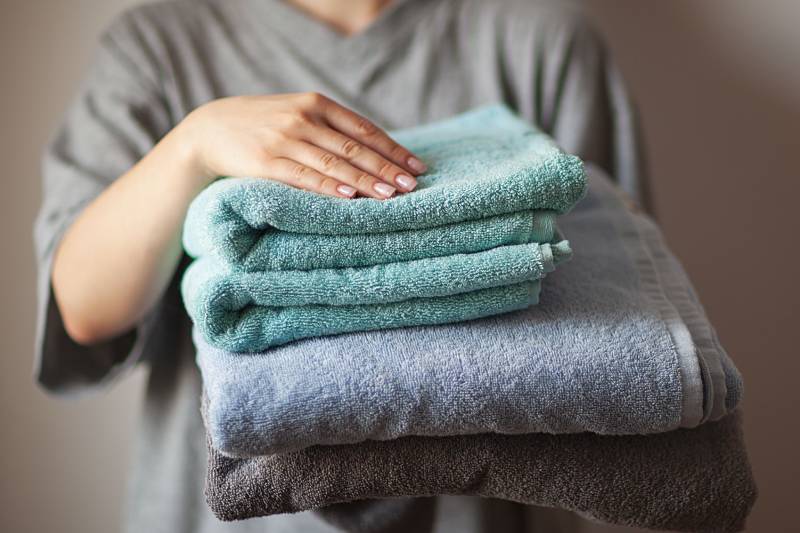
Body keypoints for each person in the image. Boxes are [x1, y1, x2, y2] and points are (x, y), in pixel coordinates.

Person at [34, 0, 645, 531]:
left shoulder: (540, 40)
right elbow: (84, 310)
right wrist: (192, 145)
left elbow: (616, 309)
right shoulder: (157, 48)